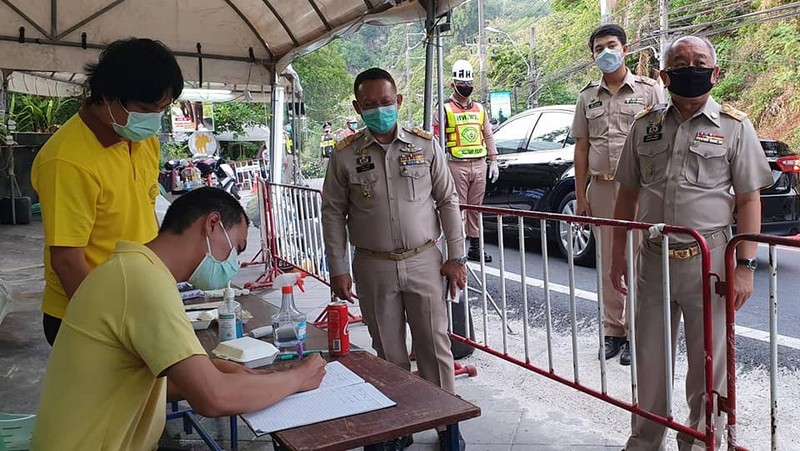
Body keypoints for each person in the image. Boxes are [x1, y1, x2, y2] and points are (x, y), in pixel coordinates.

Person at [30, 187, 327, 450]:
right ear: (212, 224)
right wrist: (297, 377)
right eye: (234, 249)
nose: (233, 265)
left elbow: (145, 383)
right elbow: (214, 398)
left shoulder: (130, 268)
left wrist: (216, 370)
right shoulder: (143, 281)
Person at [610, 36, 771, 450]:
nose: (690, 68)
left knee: (708, 365)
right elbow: (627, 194)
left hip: (710, 261)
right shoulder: (644, 125)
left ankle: (701, 441)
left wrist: (745, 266)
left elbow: (749, 199)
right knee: (649, 360)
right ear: (665, 76)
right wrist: (616, 256)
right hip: (652, 259)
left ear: (715, 73)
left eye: (699, 62)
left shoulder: (735, 126)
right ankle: (645, 440)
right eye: (680, 63)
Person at [322, 67, 467, 451]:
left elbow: (448, 200)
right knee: (388, 352)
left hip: (424, 260)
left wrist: (456, 256)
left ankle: (445, 423)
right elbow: (333, 213)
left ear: (398, 101)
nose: (379, 110)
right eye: (369, 104)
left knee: (435, 347)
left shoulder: (425, 145)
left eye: (385, 102)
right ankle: (399, 426)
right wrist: (338, 268)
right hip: (373, 265)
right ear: (358, 107)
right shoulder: (345, 155)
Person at [31, 38, 184, 346]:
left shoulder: (143, 141)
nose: (153, 120)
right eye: (145, 109)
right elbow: (67, 260)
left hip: (136, 300)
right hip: (85, 315)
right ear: (106, 97)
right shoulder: (67, 160)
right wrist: (106, 324)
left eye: (162, 110)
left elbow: (144, 216)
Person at [571, 24, 664, 366]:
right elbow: (581, 148)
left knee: (638, 261)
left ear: (625, 49)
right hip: (601, 188)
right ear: (592, 55)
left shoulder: (649, 91)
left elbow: (663, 141)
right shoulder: (587, 97)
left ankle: (635, 332)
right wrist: (581, 196)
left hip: (640, 189)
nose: (606, 52)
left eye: (611, 45)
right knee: (608, 261)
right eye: (599, 48)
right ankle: (613, 331)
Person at [437, 59, 499, 262]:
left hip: (479, 163)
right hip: (456, 163)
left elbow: (488, 135)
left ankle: (475, 247)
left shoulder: (479, 109)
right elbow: (435, 136)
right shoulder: (444, 109)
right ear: (453, 84)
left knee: (475, 208)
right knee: (458, 208)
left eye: (469, 83)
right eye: (462, 84)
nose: (466, 87)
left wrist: (493, 160)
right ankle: (457, 251)